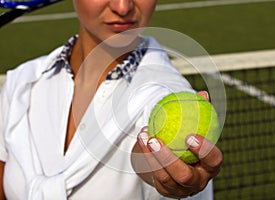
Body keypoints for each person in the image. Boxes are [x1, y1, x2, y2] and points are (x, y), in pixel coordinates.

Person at [0, 0, 223, 199]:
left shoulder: (163, 91)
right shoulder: (21, 81)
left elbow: (145, 152)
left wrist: (162, 169)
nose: (122, 7)